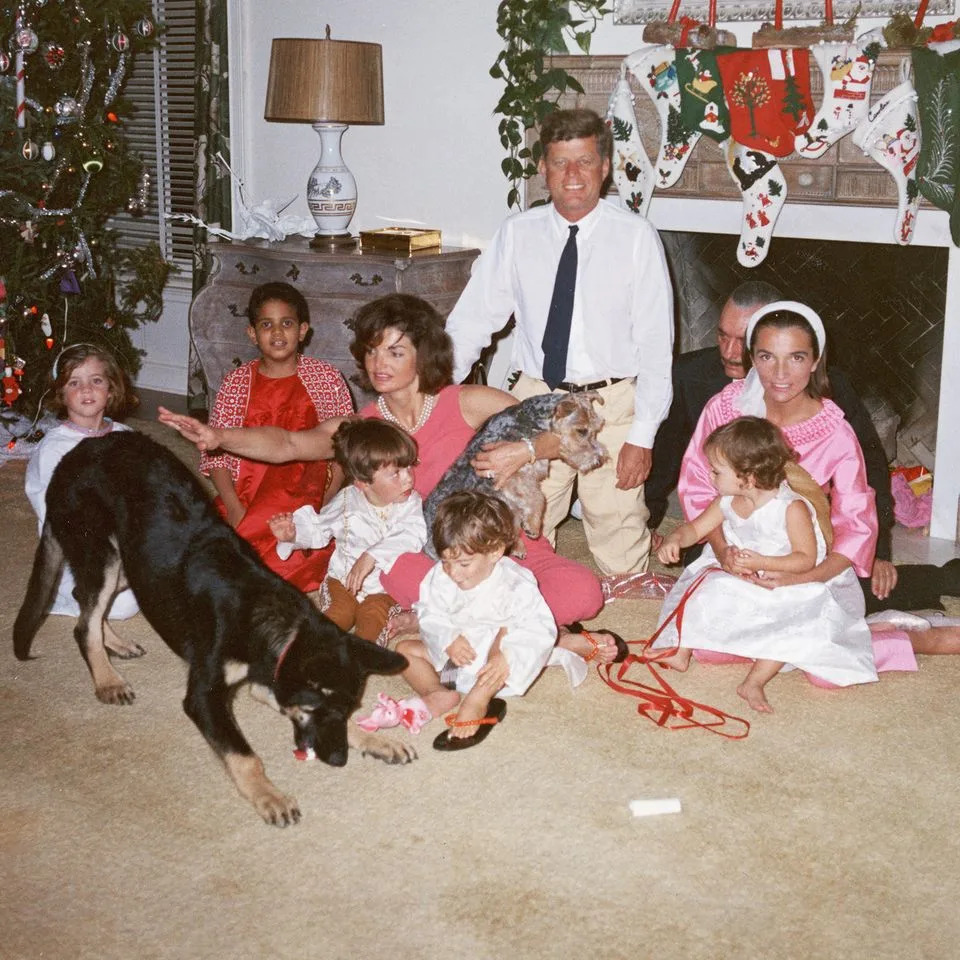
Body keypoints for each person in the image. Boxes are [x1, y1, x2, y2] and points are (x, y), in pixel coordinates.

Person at [159, 293, 615, 664]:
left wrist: (527, 450)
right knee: (394, 571)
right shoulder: (364, 427)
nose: (379, 361)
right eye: (373, 349)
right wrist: (218, 436)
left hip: (501, 541)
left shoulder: (466, 401)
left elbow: (560, 427)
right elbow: (289, 444)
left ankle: (463, 630)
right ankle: (528, 638)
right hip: (433, 561)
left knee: (584, 593)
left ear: (424, 355)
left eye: (395, 351)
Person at [444, 107, 674, 576]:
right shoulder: (517, 234)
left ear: (604, 167)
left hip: (611, 403)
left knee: (617, 523)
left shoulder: (635, 238)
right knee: (520, 524)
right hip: (537, 400)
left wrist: (642, 436)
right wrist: (433, 400)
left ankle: (625, 595)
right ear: (543, 169)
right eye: (560, 162)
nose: (572, 175)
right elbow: (470, 323)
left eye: (585, 161)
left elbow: (655, 344)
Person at [646, 280, 960, 613]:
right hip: (731, 537)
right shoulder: (725, 408)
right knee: (708, 610)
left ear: (814, 361)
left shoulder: (834, 430)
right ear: (752, 357)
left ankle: (937, 589)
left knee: (853, 596)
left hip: (805, 551)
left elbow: (855, 515)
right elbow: (697, 487)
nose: (780, 373)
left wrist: (811, 575)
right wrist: (723, 551)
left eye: (796, 357)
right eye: (767, 356)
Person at [654, 417, 877, 713]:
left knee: (793, 621)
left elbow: (805, 559)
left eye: (716, 471)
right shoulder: (726, 501)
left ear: (747, 476)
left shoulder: (790, 507)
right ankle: (680, 652)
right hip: (741, 575)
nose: (709, 476)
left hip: (787, 578)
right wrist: (674, 539)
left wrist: (762, 562)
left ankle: (755, 681)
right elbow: (694, 529)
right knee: (704, 588)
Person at [201, 281, 354, 592]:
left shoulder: (327, 379)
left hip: (307, 495)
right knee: (223, 557)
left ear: (303, 330)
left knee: (298, 560)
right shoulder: (236, 383)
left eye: (287, 323)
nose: (278, 333)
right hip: (248, 492)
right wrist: (233, 507)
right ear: (252, 334)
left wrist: (325, 501)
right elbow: (214, 454)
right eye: (266, 325)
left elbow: (345, 450)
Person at [397, 491, 559, 750]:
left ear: (495, 551)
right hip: (456, 650)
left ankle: (478, 698)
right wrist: (447, 637)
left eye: (463, 564)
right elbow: (430, 612)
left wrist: (503, 656)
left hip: (492, 655)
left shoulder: (515, 583)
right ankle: (436, 692)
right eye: (446, 562)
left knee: (506, 642)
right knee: (404, 651)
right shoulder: (441, 576)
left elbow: (534, 626)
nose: (453, 573)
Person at [268, 419, 426, 645]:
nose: (409, 478)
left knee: (371, 626)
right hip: (343, 579)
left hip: (384, 589)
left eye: (409, 467)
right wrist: (293, 534)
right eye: (396, 473)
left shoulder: (410, 503)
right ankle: (302, 654)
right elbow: (318, 529)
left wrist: (371, 555)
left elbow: (412, 535)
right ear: (363, 483)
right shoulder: (346, 501)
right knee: (336, 617)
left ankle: (353, 665)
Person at [25, 343, 139, 621]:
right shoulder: (55, 448)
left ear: (111, 388)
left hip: (123, 542)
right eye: (74, 383)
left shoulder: (125, 436)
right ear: (61, 394)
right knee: (124, 607)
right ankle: (66, 598)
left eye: (96, 380)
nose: (86, 390)